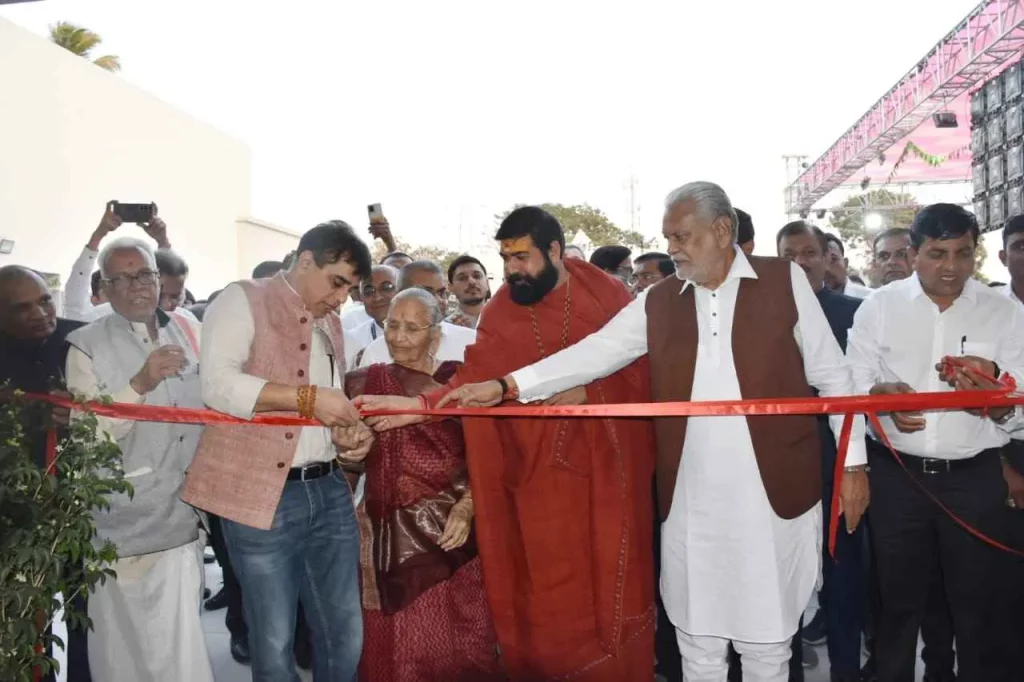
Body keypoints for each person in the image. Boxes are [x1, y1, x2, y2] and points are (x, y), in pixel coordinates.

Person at [437, 184, 871, 682]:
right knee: (698, 642)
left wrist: (852, 466)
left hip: (772, 499)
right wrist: (507, 385)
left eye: (681, 236)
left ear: (722, 230)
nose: (673, 249)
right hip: (691, 503)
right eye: (668, 238)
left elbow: (835, 379)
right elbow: (595, 353)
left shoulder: (783, 280)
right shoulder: (660, 299)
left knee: (768, 644)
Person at [359, 206, 657, 681]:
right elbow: (476, 379)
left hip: (604, 477)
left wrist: (592, 390)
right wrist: (415, 407)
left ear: (555, 251)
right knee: (539, 596)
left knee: (607, 591)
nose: (511, 269)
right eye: (504, 258)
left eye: (522, 257)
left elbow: (645, 366)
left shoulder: (607, 295)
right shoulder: (501, 309)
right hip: (530, 484)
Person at [180, 220, 374, 682]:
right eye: (337, 282)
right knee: (273, 641)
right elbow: (219, 385)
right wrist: (309, 399)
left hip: (328, 488)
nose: (342, 297)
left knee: (344, 632)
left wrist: (348, 440)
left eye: (350, 287)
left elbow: (328, 407)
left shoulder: (331, 322)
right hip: (258, 496)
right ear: (305, 260)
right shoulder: (242, 298)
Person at [846, 203, 1024, 682]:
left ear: (977, 254)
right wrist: (879, 404)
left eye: (963, 254)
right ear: (914, 252)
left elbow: (1019, 406)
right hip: (898, 478)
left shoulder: (1003, 313)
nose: (951, 267)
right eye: (937, 253)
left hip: (974, 480)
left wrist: (995, 400)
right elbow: (850, 391)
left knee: (976, 609)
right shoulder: (879, 308)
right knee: (898, 606)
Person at [63, 236, 211, 682]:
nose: (137, 286)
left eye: (144, 273)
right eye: (122, 278)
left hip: (184, 512)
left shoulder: (187, 327)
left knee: (182, 646)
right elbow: (89, 436)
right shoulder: (84, 345)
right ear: (105, 289)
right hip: (122, 521)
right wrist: (140, 383)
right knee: (123, 648)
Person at [345, 289, 502, 682]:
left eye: (412, 328)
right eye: (392, 325)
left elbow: (490, 453)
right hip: (384, 529)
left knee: (461, 634)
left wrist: (468, 506)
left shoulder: (460, 383)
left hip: (454, 526)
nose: (398, 337)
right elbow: (349, 459)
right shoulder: (365, 381)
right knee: (394, 639)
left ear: (436, 333)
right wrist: (348, 452)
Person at [777, 221, 864, 682]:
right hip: (779, 463)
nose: (800, 262)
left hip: (839, 459)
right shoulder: (761, 317)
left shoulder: (854, 313)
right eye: (789, 253)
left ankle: (846, 670)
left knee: (842, 571)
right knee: (783, 572)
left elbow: (859, 388)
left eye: (809, 252)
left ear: (826, 258)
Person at [0, 266, 92, 682]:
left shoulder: (82, 340)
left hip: (81, 500)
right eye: (23, 308)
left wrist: (84, 410)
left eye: (44, 300)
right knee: (21, 613)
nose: (41, 313)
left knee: (85, 607)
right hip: (15, 512)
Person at [358, 261, 477, 367]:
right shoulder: (375, 353)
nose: (439, 300)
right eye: (427, 293)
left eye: (441, 293)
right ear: (400, 294)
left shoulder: (471, 342)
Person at [345, 265, 398, 368]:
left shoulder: (425, 333)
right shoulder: (351, 341)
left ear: (401, 290)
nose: (377, 297)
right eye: (369, 291)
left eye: (386, 288)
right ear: (360, 297)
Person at [446, 254, 490, 328]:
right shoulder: (445, 329)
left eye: (477, 276)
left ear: (487, 283)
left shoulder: (508, 319)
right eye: (462, 278)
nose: (471, 281)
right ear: (451, 288)